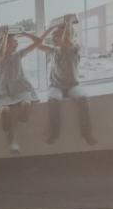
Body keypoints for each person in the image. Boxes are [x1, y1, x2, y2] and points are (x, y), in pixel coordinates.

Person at [39, 14, 96, 145]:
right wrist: (49, 29)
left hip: (73, 85)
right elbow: (37, 44)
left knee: (82, 98)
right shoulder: (52, 50)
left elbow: (67, 41)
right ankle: (54, 134)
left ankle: (87, 134)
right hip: (56, 86)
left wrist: (69, 22)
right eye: (53, 36)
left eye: (57, 35)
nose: (54, 37)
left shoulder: (74, 48)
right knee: (53, 100)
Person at [0, 28, 43, 153]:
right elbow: (1, 51)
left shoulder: (18, 54)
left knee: (26, 105)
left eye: (16, 42)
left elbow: (39, 41)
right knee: (5, 111)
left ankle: (16, 128)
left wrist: (25, 33)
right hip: (5, 91)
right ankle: (10, 137)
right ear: (3, 44)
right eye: (12, 42)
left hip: (21, 89)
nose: (15, 44)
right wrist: (5, 36)